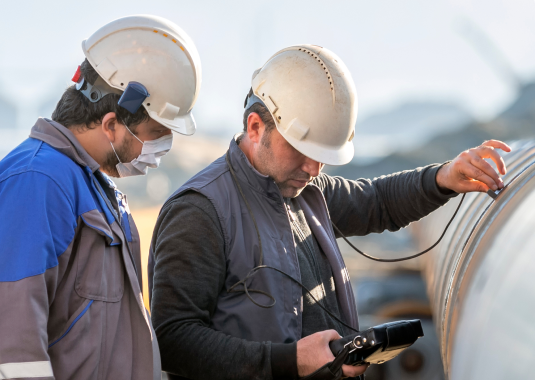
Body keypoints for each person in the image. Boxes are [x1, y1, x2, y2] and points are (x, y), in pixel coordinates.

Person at [148, 45, 510, 380]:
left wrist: (443, 177)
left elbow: (378, 202)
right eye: (302, 151)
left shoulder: (305, 192)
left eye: (322, 155)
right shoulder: (199, 211)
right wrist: (289, 361)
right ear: (256, 127)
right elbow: (175, 341)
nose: (314, 169)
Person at [0, 15, 201, 380]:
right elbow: (13, 346)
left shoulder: (93, 186)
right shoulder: (38, 181)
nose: (160, 149)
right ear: (110, 124)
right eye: (154, 133)